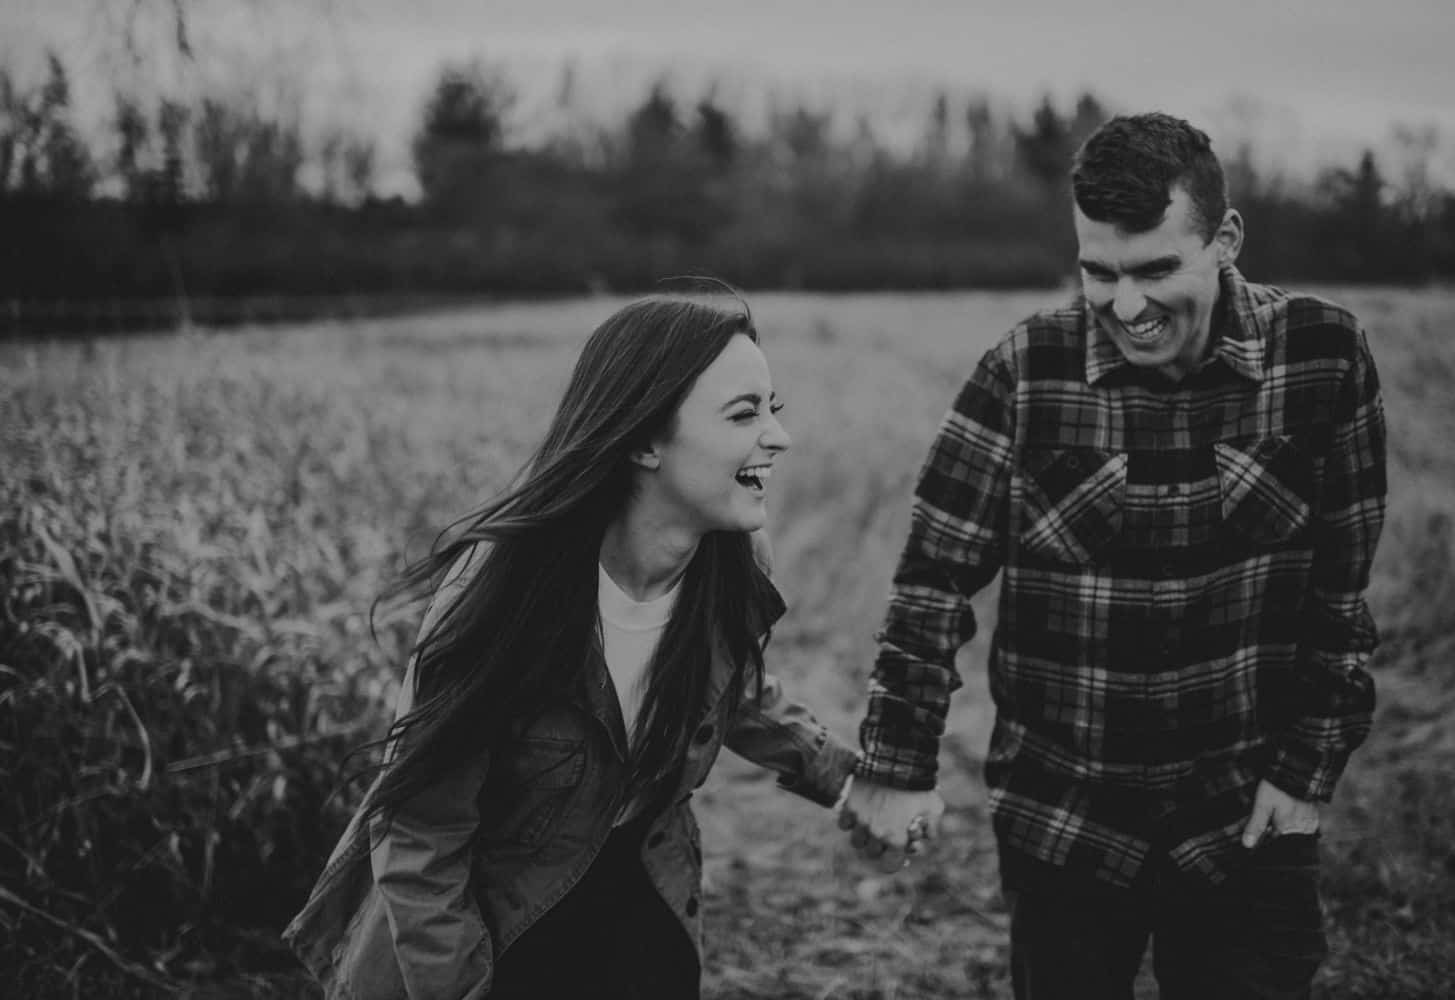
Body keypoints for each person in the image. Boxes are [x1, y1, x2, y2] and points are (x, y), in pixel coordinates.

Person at [840, 112, 1387, 999]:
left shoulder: (1323, 358)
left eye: (1157, 269)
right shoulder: (1023, 371)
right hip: (1066, 821)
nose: (1125, 306)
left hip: (1247, 821)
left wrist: (1307, 770)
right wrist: (898, 767)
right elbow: (933, 580)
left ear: (1225, 240)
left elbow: (1341, 590)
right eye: (1100, 273)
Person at [283, 286, 857, 999]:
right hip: (489, 925)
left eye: (774, 408)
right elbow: (421, 834)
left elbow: (728, 688)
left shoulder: (732, 558)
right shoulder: (504, 596)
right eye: (744, 413)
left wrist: (848, 777)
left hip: (642, 897)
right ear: (644, 439)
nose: (778, 435)